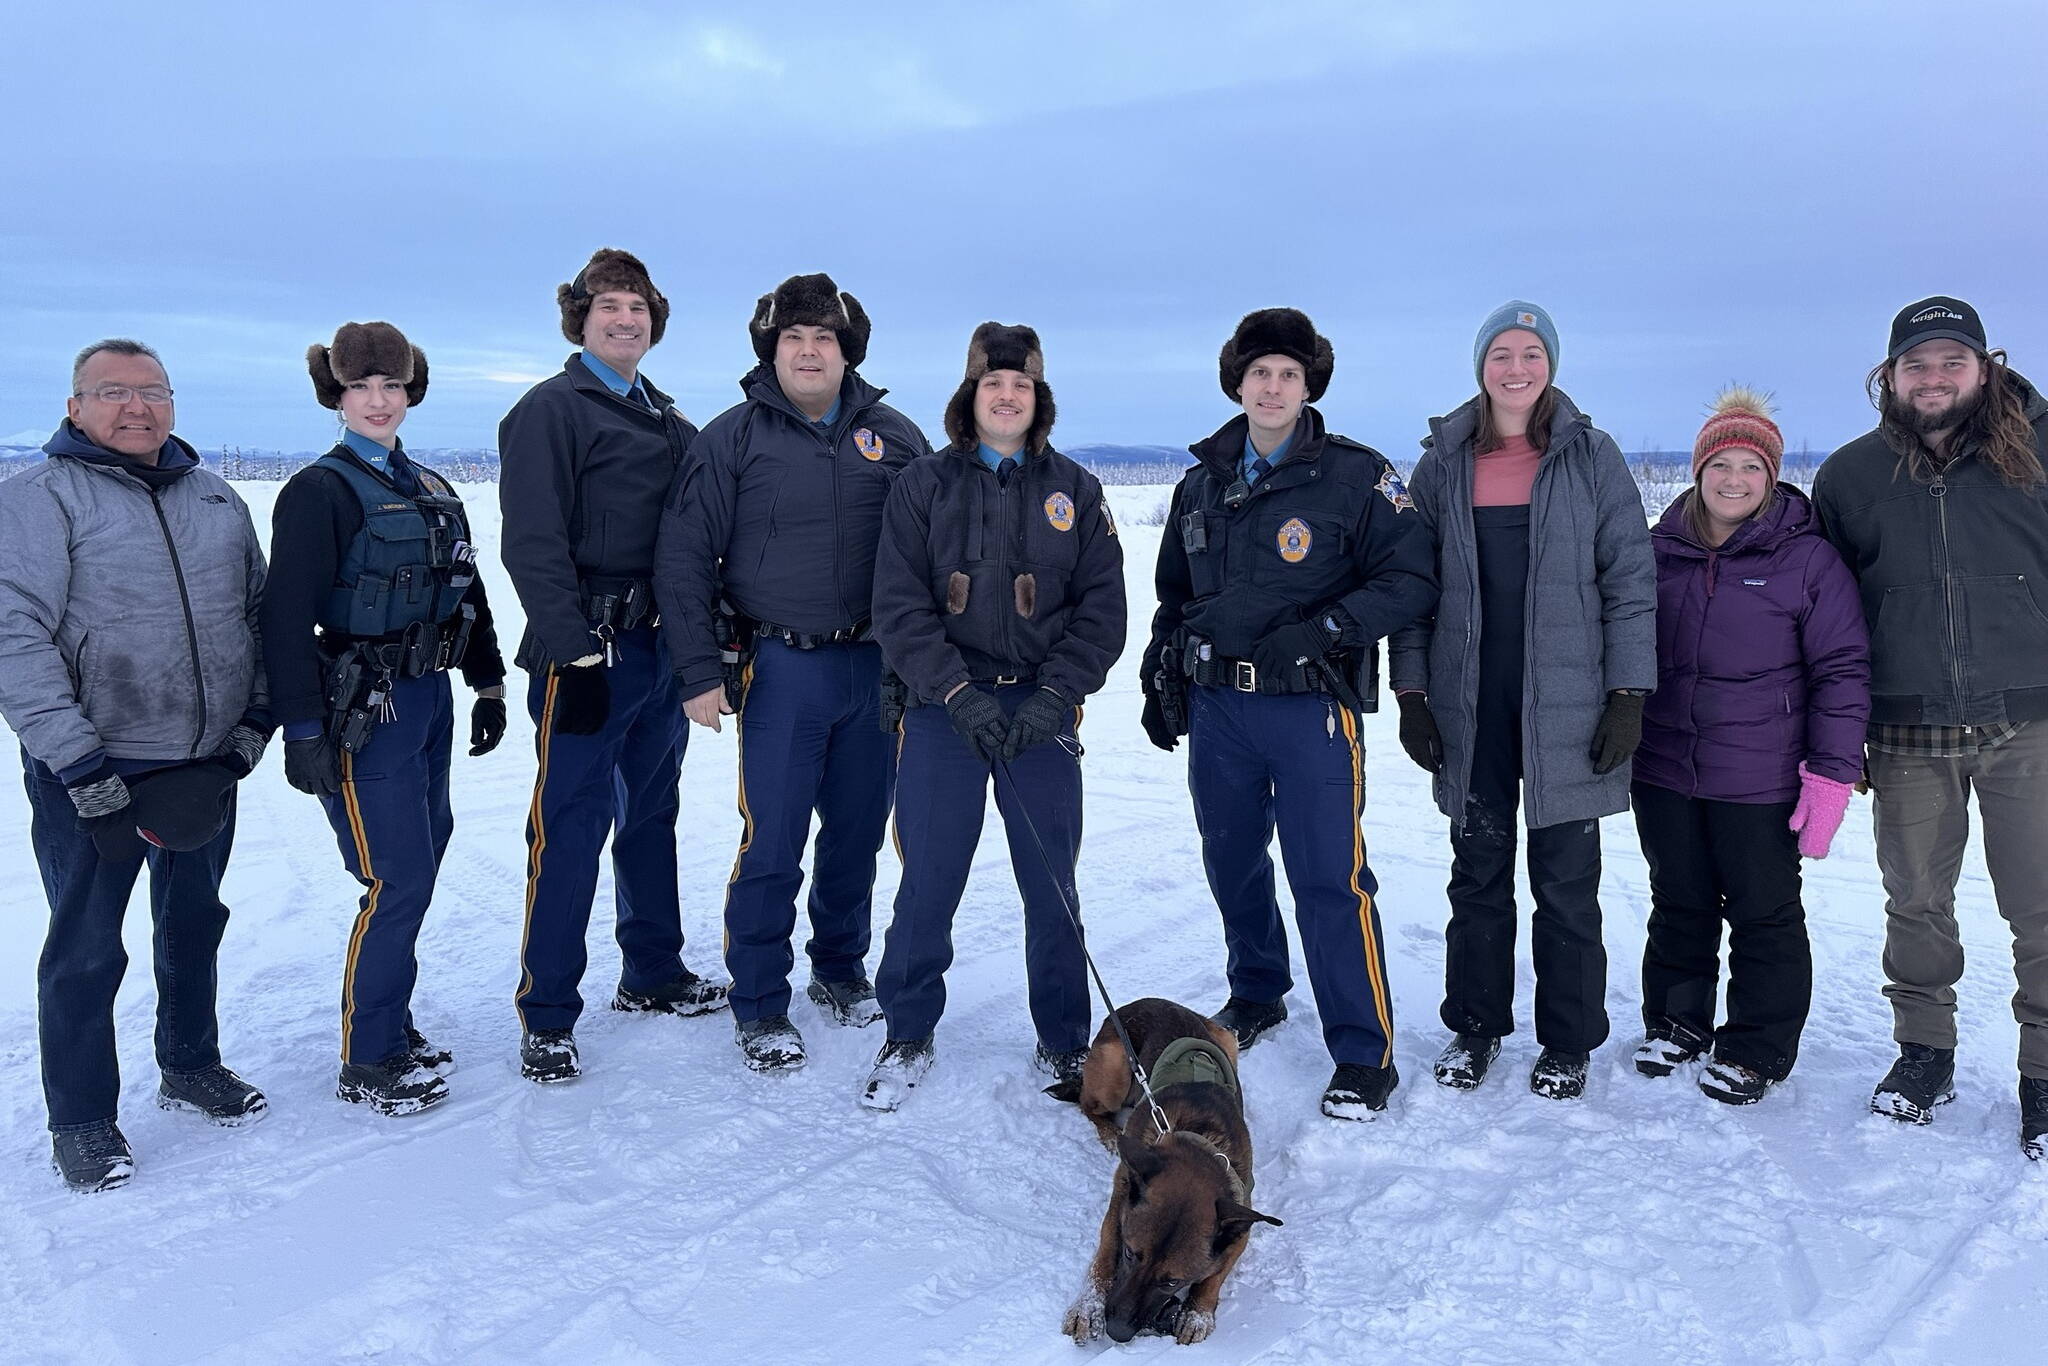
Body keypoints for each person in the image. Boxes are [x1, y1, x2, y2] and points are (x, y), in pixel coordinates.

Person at [1140, 307, 1435, 1120]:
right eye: (1259, 373)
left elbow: (1411, 579)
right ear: (1237, 381)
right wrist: (1158, 668)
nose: (1272, 388)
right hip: (1220, 712)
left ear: (1311, 387)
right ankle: (1258, 990)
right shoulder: (1202, 480)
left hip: (1310, 713)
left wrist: (1324, 631)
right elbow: (1176, 595)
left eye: (1289, 376)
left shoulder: (1357, 476)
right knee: (1231, 861)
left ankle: (1363, 1051)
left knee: (1328, 880)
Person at [0, 339, 271, 1191]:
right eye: (112, 392)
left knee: (194, 921)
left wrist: (251, 726)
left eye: (152, 392)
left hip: (201, 761)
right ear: (75, 406)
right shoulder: (38, 498)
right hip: (94, 764)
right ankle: (82, 1118)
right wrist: (80, 765)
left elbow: (258, 617)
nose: (136, 408)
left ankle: (190, 1063)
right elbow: (14, 637)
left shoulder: (216, 498)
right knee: (86, 947)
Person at [656, 272, 932, 1073]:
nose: (810, 352)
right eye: (794, 339)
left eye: (825, 339)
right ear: (771, 350)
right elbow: (682, 556)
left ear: (849, 351)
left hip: (875, 669)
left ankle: (840, 968)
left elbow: (937, 547)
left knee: (855, 834)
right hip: (781, 668)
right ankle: (760, 1001)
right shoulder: (732, 438)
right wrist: (698, 672)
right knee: (772, 839)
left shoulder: (896, 437)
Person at [1388, 301, 1656, 1102]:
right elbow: (1413, 586)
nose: (1516, 367)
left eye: (1531, 353)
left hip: (1570, 706)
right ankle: (1476, 1027)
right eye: (1501, 353)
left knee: (1566, 879)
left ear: (1551, 366)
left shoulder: (1591, 457)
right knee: (1476, 873)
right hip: (1471, 703)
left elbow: (1631, 581)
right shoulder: (1442, 462)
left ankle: (1568, 1039)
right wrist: (1411, 691)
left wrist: (1628, 693)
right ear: (1481, 366)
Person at [862, 323, 1126, 1109]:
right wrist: (953, 692)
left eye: (1021, 386)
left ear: (1037, 400)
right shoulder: (922, 486)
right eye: (992, 384)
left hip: (1041, 712)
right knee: (929, 880)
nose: (1006, 396)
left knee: (1052, 886)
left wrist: (1055, 695)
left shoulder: (1074, 490)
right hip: (947, 711)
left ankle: (1063, 1041)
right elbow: (899, 606)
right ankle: (907, 1029)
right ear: (969, 396)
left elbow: (1103, 608)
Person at [1812, 296, 2048, 1159]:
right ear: (1891, 375)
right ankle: (1924, 1053)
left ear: (1986, 367)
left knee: (2042, 907)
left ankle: (2045, 1077)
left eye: (1953, 360)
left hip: (2032, 719)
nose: (1935, 377)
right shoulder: (1850, 476)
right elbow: (1826, 618)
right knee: (1915, 901)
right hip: (1907, 726)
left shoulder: (2040, 452)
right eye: (1918, 363)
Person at [260, 322, 508, 1115]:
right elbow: (283, 619)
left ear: (411, 392)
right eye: (361, 387)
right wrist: (302, 730)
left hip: (427, 696)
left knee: (423, 862)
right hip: (365, 703)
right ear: (335, 395)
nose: (378, 400)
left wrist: (489, 681)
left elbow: (465, 591)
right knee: (392, 877)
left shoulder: (429, 487)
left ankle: (392, 1027)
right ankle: (368, 1059)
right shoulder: (320, 492)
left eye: (392, 386)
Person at [497, 248, 727, 1085]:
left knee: (651, 815)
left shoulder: (668, 421)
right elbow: (531, 544)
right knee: (570, 830)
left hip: (660, 653)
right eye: (608, 306)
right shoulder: (553, 411)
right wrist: (575, 652)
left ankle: (653, 970)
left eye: (637, 307)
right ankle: (549, 1013)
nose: (625, 318)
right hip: (588, 652)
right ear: (580, 318)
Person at [1630, 389, 1869, 1105]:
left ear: (1773, 478)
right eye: (1720, 465)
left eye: (1752, 468)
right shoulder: (1657, 552)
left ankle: (1756, 1047)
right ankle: (1677, 1023)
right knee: (1678, 901)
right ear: (1698, 473)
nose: (1734, 480)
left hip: (1762, 775)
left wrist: (1831, 776)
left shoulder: (1808, 562)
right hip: (1667, 767)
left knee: (1764, 910)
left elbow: (1842, 670)